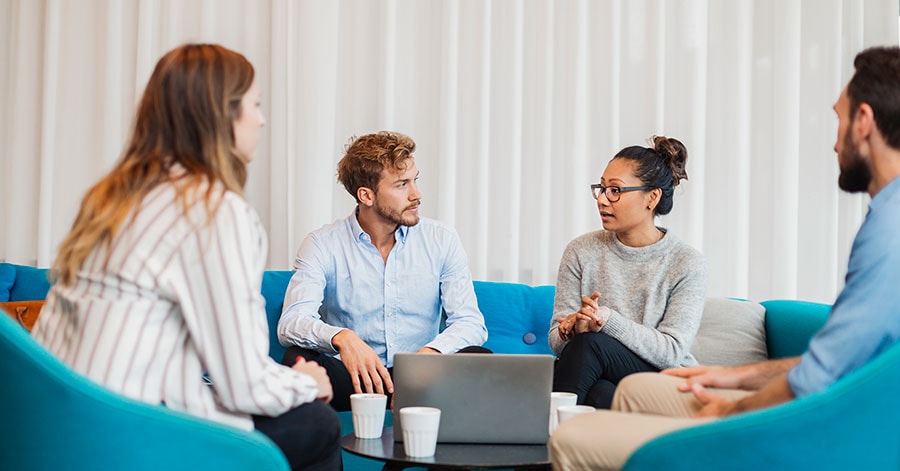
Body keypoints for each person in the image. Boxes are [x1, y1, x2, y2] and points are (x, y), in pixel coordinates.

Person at [549, 45, 900, 470]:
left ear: (863, 122)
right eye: (601, 189)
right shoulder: (885, 218)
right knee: (621, 394)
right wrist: (736, 376)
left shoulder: (888, 231)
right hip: (840, 404)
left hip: (830, 426)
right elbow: (838, 356)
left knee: (575, 434)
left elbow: (822, 374)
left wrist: (730, 412)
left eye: (839, 120)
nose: (832, 142)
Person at [31, 44, 341, 470]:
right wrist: (305, 382)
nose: (262, 119)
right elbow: (244, 385)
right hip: (121, 438)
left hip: (50, 428)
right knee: (317, 422)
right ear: (220, 115)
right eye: (255, 104)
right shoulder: (213, 210)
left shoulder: (111, 199)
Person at [278, 131, 488, 411]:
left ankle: (409, 453)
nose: (416, 195)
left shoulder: (442, 239)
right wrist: (342, 337)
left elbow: (470, 323)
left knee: (479, 358)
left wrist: (430, 355)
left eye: (415, 180)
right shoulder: (322, 244)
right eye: (402, 184)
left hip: (425, 377)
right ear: (366, 195)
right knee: (298, 359)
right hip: (355, 378)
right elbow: (291, 322)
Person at [549, 136, 707, 409]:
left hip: (663, 382)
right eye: (601, 188)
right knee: (600, 392)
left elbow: (671, 352)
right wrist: (573, 329)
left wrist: (607, 320)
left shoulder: (686, 262)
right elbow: (555, 340)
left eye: (615, 191)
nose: (602, 200)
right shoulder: (580, 251)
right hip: (598, 374)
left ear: (652, 197)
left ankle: (549, 439)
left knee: (591, 345)